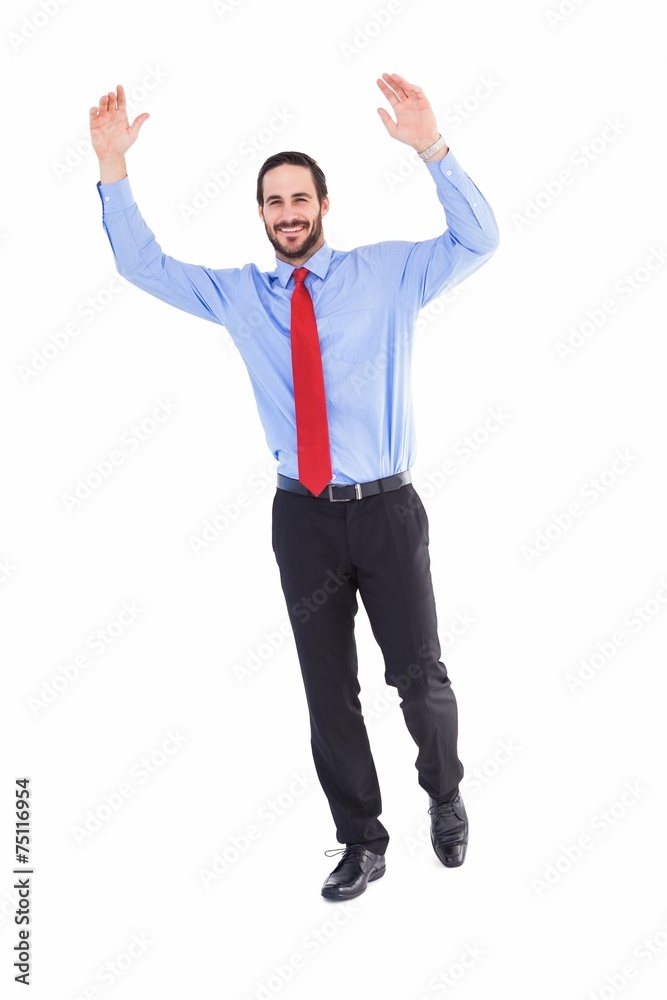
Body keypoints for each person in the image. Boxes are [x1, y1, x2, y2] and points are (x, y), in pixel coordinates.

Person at [90, 72, 499, 900]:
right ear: (261, 215)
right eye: (273, 202)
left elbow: (478, 241)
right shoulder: (241, 297)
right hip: (301, 518)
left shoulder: (388, 276)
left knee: (417, 676)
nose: (287, 213)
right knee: (327, 691)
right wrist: (112, 170)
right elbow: (143, 265)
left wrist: (432, 147)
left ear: (323, 203)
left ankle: (444, 795)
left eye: (299, 198)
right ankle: (362, 839)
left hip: (385, 510)